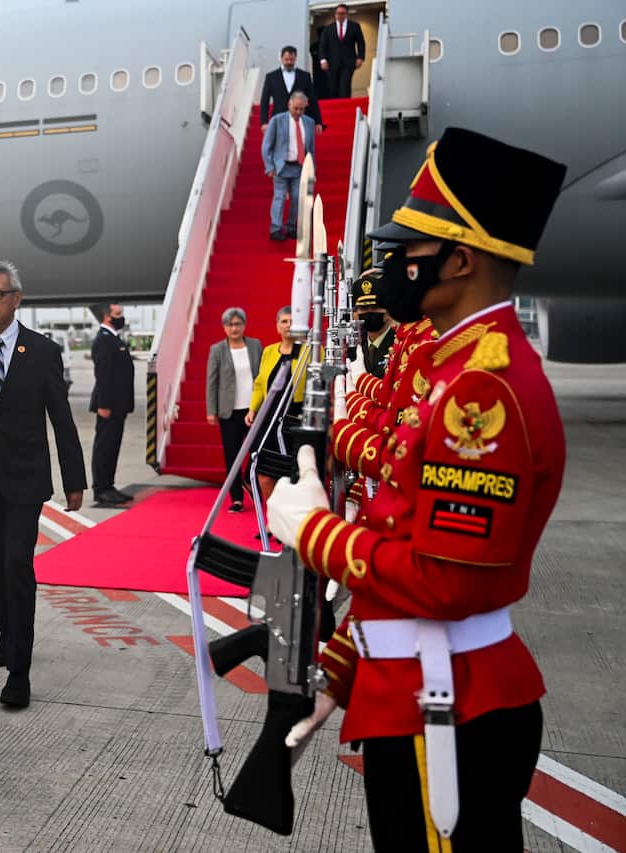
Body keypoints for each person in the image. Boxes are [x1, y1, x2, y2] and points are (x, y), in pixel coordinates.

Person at [267, 127, 567, 848]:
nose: (393, 263)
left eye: (410, 249)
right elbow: (407, 532)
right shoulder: (450, 372)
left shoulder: (482, 390)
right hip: (412, 684)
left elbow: (443, 581)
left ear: (460, 260)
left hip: (451, 706)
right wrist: (345, 667)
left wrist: (314, 531)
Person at [0, 260, 86, 708]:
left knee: (16, 564)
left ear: (16, 299)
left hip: (23, 480)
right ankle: (8, 631)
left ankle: (20, 670)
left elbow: (61, 419)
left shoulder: (43, 351)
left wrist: (75, 478)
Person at [245, 306, 307, 498]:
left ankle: (290, 520)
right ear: (277, 326)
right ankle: (273, 521)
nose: (288, 326)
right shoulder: (269, 351)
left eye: (292, 322)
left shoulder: (310, 350)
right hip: (270, 418)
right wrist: (252, 409)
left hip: (295, 420)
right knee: (263, 474)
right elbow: (259, 382)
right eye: (284, 321)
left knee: (291, 476)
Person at [205, 308, 261, 512]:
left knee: (258, 452)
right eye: (230, 324)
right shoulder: (217, 350)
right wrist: (211, 410)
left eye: (238, 324)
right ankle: (236, 498)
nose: (234, 328)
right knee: (232, 455)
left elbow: (262, 375)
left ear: (244, 325)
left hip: (253, 409)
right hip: (229, 411)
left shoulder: (255, 346)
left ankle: (250, 482)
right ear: (224, 328)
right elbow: (212, 382)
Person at [88, 302, 134, 506]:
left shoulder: (113, 339)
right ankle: (101, 488)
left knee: (112, 446)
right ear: (107, 317)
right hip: (109, 405)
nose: (121, 317)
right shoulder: (104, 341)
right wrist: (104, 404)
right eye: (118, 314)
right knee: (104, 447)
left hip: (118, 404)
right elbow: (103, 375)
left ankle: (108, 485)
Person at [262, 92, 316, 241]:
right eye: (295, 108)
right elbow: (266, 145)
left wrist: (312, 170)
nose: (298, 112)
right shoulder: (277, 121)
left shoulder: (309, 123)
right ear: (289, 105)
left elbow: (311, 149)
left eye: (301, 109)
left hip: (300, 167)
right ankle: (276, 228)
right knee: (279, 196)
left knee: (297, 197)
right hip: (281, 166)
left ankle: (291, 227)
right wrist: (269, 166)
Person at [259, 46, 324, 130]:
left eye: (292, 59)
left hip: (300, 120)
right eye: (286, 59)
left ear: (295, 58)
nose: (289, 62)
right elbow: (265, 101)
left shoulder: (304, 76)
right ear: (281, 58)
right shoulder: (271, 77)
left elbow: (312, 99)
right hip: (278, 120)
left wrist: (318, 122)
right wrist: (264, 122)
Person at [353, 268, 395, 377]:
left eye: (374, 307)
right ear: (355, 314)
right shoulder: (354, 346)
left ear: (389, 312)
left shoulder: (399, 344)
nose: (369, 312)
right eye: (364, 308)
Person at [318, 3, 366, 99]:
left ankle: (345, 107)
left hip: (348, 63)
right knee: (333, 88)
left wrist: (360, 57)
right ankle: (335, 110)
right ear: (335, 14)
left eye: (343, 13)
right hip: (332, 63)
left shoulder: (354, 26)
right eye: (338, 13)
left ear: (347, 14)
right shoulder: (328, 29)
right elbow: (323, 45)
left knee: (345, 87)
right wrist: (323, 60)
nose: (340, 15)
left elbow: (361, 43)